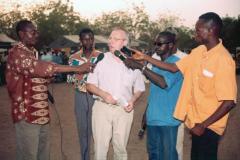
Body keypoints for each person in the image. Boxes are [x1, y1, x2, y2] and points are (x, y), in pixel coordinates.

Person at [132, 12, 237, 160]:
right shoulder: (199, 51)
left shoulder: (223, 59)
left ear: (211, 30)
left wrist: (204, 125)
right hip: (195, 123)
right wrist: (145, 58)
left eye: (198, 30)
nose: (195, 34)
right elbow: (174, 68)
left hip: (209, 127)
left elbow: (229, 102)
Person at [5, 20, 93, 160]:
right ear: (22, 34)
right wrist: (78, 68)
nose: (36, 35)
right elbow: (41, 68)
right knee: (29, 155)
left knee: (43, 154)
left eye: (36, 31)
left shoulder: (32, 53)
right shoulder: (17, 53)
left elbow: (34, 77)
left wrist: (46, 79)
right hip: (26, 115)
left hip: (42, 115)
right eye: (32, 32)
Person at [125, 31, 187, 160]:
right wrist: (146, 114)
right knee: (154, 155)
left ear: (170, 45)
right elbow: (155, 93)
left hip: (168, 121)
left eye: (160, 44)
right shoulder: (155, 64)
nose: (156, 47)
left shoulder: (177, 63)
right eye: (155, 44)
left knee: (168, 156)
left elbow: (163, 83)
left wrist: (141, 67)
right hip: (153, 118)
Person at [86, 27, 145, 160]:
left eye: (115, 39)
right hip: (102, 108)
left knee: (121, 149)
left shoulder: (133, 62)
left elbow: (139, 88)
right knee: (100, 148)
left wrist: (133, 100)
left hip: (124, 111)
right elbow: (89, 85)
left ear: (124, 43)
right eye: (110, 38)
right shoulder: (100, 59)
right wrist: (104, 94)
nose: (110, 41)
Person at [68, 28, 101, 160]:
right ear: (80, 40)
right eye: (86, 39)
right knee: (83, 130)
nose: (89, 41)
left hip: (97, 97)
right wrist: (79, 75)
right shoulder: (73, 58)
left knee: (97, 130)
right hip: (80, 96)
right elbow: (70, 79)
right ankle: (85, 157)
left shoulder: (101, 56)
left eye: (91, 38)